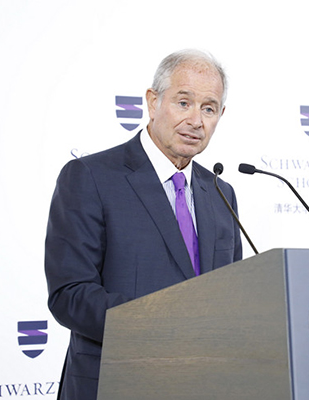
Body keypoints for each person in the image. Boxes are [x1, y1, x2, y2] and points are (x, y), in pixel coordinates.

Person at [44, 49, 243, 400]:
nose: (196, 120)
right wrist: (164, 327)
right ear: (153, 102)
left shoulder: (220, 193)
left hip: (203, 384)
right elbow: (70, 294)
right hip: (117, 382)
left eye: (209, 109)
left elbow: (233, 295)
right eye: (183, 103)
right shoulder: (90, 177)